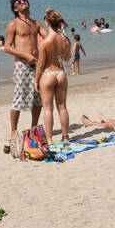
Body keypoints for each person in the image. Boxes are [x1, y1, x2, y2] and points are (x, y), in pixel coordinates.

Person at [1, 0, 42, 156]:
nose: (24, 2)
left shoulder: (36, 23)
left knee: (38, 98)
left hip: (37, 65)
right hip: (22, 65)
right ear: (15, 8)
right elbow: (7, 47)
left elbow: (47, 38)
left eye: (25, 0)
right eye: (20, 1)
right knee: (18, 98)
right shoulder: (13, 25)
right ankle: (13, 131)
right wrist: (24, 55)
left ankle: (33, 129)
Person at [35, 9, 72, 143]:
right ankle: (65, 136)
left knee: (48, 110)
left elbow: (40, 65)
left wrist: (36, 81)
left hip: (48, 74)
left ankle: (50, 140)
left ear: (47, 22)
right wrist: (67, 44)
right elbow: (67, 58)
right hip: (61, 73)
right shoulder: (65, 40)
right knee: (62, 107)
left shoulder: (44, 43)